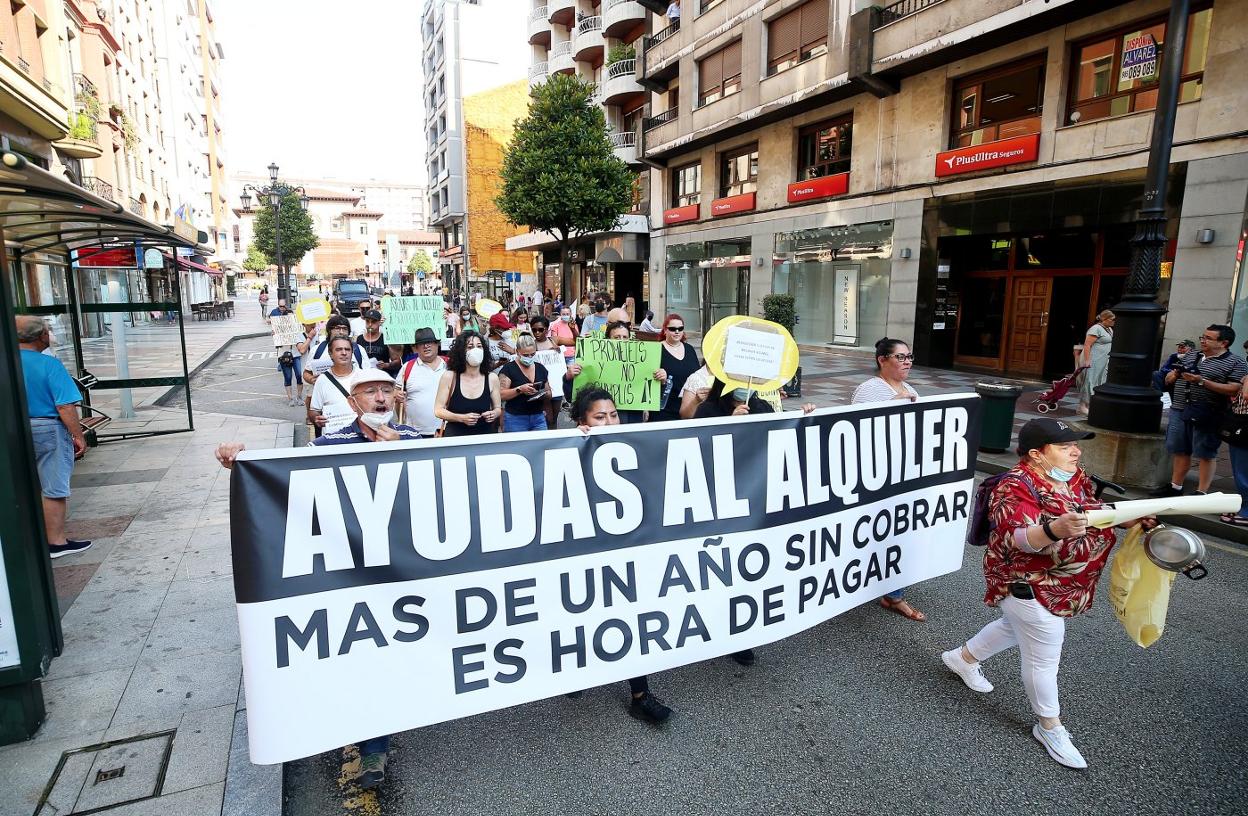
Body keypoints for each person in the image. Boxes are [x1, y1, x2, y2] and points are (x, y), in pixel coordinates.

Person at [216, 367, 419, 790]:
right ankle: (372, 747)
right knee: (369, 656)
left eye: (386, 390)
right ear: (352, 403)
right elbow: (284, 480)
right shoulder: (328, 446)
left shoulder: (416, 441)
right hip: (357, 577)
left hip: (411, 573)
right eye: (369, 392)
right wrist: (243, 461)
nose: (380, 398)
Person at [941, 418, 1157, 769]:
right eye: (1065, 446)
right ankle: (1049, 727)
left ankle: (962, 659)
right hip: (1025, 582)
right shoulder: (1013, 487)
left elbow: (1091, 511)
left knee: (1014, 627)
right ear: (1036, 454)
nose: (1076, 451)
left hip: (1064, 583)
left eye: (1076, 444)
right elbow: (1019, 538)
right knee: (1043, 655)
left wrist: (1126, 518)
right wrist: (1052, 529)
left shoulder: (1072, 477)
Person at [565, 387, 673, 724]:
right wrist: (572, 444)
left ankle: (640, 694)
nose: (609, 421)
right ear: (582, 421)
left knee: (630, 616)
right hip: (583, 550)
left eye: (613, 414)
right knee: (581, 616)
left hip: (626, 549)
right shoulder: (567, 450)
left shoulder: (635, 444)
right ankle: (575, 672)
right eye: (599, 417)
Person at [852, 338, 924, 622]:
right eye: (900, 356)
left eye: (910, 356)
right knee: (871, 533)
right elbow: (853, 426)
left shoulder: (911, 390)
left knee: (899, 532)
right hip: (874, 476)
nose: (907, 361)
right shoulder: (870, 389)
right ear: (882, 359)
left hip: (903, 474)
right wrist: (890, 405)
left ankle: (893, 593)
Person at [17, 316, 91, 559]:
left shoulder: (8, 361)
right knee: (53, 486)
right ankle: (57, 543)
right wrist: (78, 435)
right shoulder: (49, 364)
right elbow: (65, 406)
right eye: (48, 331)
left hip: (14, 429)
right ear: (41, 336)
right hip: (47, 428)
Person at [1157, 324, 1248, 497]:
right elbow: (1168, 379)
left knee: (1205, 451)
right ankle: (1175, 486)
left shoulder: (1236, 362)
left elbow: (1234, 389)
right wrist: (1176, 374)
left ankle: (1202, 492)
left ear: (1224, 343)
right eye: (1203, 337)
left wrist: (1201, 381)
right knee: (1179, 449)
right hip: (1179, 408)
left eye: (1208, 338)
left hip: (1208, 411)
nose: (1203, 341)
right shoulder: (1192, 354)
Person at [434, 330, 502, 436]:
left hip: (485, 436)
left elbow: (498, 408)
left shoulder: (492, 378)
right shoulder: (449, 377)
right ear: (461, 352)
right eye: (470, 347)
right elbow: (438, 410)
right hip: (456, 438)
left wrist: (493, 414)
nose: (476, 350)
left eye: (479, 346)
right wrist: (461, 418)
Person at [603, 320, 663, 423]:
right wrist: (569, 377)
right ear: (608, 339)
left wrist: (662, 380)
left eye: (625, 337)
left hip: (634, 418)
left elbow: (651, 391)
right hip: (606, 421)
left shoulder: (641, 360)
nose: (621, 341)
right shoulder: (597, 360)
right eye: (617, 337)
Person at [395, 327, 447, 436]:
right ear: (416, 348)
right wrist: (396, 395)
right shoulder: (407, 367)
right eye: (421, 343)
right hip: (414, 433)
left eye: (429, 342)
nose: (426, 346)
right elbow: (395, 392)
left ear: (437, 344)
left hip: (446, 431)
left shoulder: (450, 366)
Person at [649, 314, 700, 423]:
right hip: (664, 410)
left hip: (689, 408)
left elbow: (698, 375)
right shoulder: (656, 350)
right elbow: (646, 380)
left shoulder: (690, 349)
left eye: (680, 328)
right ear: (665, 330)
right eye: (673, 329)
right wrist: (661, 379)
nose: (677, 331)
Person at [308, 336, 364, 435]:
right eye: (338, 349)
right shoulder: (322, 380)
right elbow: (314, 411)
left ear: (352, 352)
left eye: (347, 349)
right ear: (330, 354)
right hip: (333, 439)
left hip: (361, 437)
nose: (344, 353)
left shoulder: (364, 377)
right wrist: (316, 419)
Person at [531, 316, 577, 430]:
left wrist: (573, 329)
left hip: (556, 385)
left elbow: (575, 341)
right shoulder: (531, 344)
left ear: (547, 329)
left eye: (540, 329)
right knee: (547, 418)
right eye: (534, 330)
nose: (537, 333)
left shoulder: (554, 340)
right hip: (542, 387)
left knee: (554, 419)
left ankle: (552, 438)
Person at [498, 333, 551, 432]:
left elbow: (549, 392)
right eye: (526, 355)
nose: (530, 357)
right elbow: (500, 395)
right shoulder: (509, 369)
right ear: (517, 352)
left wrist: (543, 394)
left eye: (533, 354)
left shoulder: (540, 368)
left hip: (538, 416)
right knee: (517, 447)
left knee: (541, 446)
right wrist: (519, 390)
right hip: (515, 418)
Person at [305, 315, 368, 383]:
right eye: (337, 328)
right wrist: (311, 379)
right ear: (329, 330)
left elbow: (367, 373)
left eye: (344, 329)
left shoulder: (359, 350)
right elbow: (306, 372)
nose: (341, 332)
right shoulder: (317, 350)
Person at [268, 300, 306, 407]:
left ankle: (299, 397)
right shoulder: (279, 328)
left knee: (299, 375)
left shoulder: (298, 329)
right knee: (288, 377)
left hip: (296, 354)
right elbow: (277, 344)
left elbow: (303, 340)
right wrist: (275, 335)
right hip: (283, 354)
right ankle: (290, 398)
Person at [1078, 310, 1115, 414]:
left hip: (1103, 360)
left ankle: (1092, 404)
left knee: (1099, 380)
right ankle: (1082, 405)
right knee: (1090, 380)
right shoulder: (1096, 328)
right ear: (1104, 319)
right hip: (1094, 359)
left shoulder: (1109, 329)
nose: (1114, 321)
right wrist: (1087, 360)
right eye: (1112, 319)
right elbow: (1087, 345)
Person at [356, 309, 398, 376]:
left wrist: (386, 365)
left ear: (379, 322)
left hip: (382, 376)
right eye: (367, 321)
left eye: (373, 322)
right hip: (364, 377)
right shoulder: (359, 339)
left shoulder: (386, 339)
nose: (370, 324)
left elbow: (397, 361)